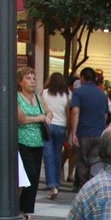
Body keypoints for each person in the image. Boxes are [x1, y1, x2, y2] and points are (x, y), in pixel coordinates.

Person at [16, 67, 51, 220]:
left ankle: (28, 210)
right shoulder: (16, 97)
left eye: (33, 78)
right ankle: (18, 207)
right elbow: (21, 119)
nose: (31, 81)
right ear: (20, 82)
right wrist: (39, 118)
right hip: (22, 141)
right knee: (28, 174)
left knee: (35, 176)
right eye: (28, 78)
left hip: (38, 141)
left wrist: (47, 117)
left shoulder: (37, 97)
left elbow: (49, 112)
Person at [69, 67, 108, 185]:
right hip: (99, 133)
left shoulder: (78, 92)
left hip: (83, 132)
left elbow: (75, 112)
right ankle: (93, 186)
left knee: (81, 161)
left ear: (82, 78)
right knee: (95, 161)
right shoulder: (102, 94)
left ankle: (84, 187)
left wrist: (73, 132)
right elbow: (105, 115)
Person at [42, 72, 70, 200]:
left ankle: (51, 183)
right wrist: (69, 129)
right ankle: (57, 182)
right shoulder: (67, 95)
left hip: (48, 125)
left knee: (48, 155)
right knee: (57, 154)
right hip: (61, 127)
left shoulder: (45, 93)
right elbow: (68, 113)